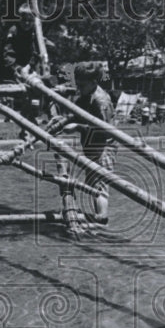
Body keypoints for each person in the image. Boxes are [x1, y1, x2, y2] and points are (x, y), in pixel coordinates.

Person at [69, 61, 116, 224]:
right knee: (92, 185)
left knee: (100, 187)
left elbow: (105, 130)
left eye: (82, 85)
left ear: (94, 83)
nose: (79, 88)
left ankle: (102, 219)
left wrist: (78, 127)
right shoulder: (86, 95)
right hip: (91, 146)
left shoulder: (101, 101)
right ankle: (98, 218)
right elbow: (77, 112)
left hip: (103, 147)